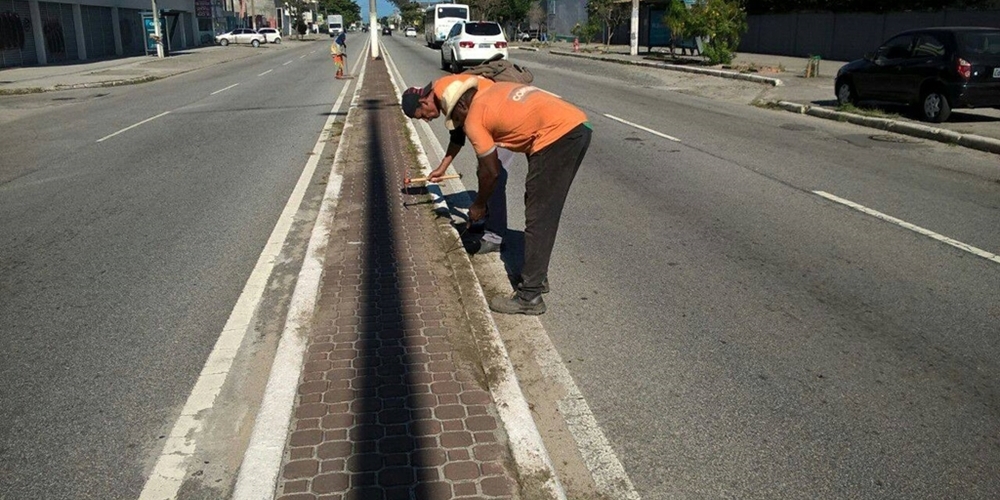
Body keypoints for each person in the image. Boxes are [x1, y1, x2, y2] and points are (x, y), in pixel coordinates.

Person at [442, 79, 591, 315]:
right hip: (575, 125)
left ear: (462, 105)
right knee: (539, 208)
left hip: (557, 135)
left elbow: (491, 171)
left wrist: (479, 205)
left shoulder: (473, 118)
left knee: (539, 216)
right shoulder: (492, 90)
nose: (460, 125)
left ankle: (529, 297)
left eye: (457, 120)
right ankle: (536, 277)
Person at [401, 74, 511, 255]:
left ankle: (495, 236)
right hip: (490, 116)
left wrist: (477, 206)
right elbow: (458, 136)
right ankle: (487, 220)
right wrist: (442, 168)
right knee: (484, 171)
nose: (427, 120)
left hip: (501, 116)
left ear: (424, 102)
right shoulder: (440, 93)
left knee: (493, 175)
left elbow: (462, 131)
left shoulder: (444, 92)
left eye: (423, 116)